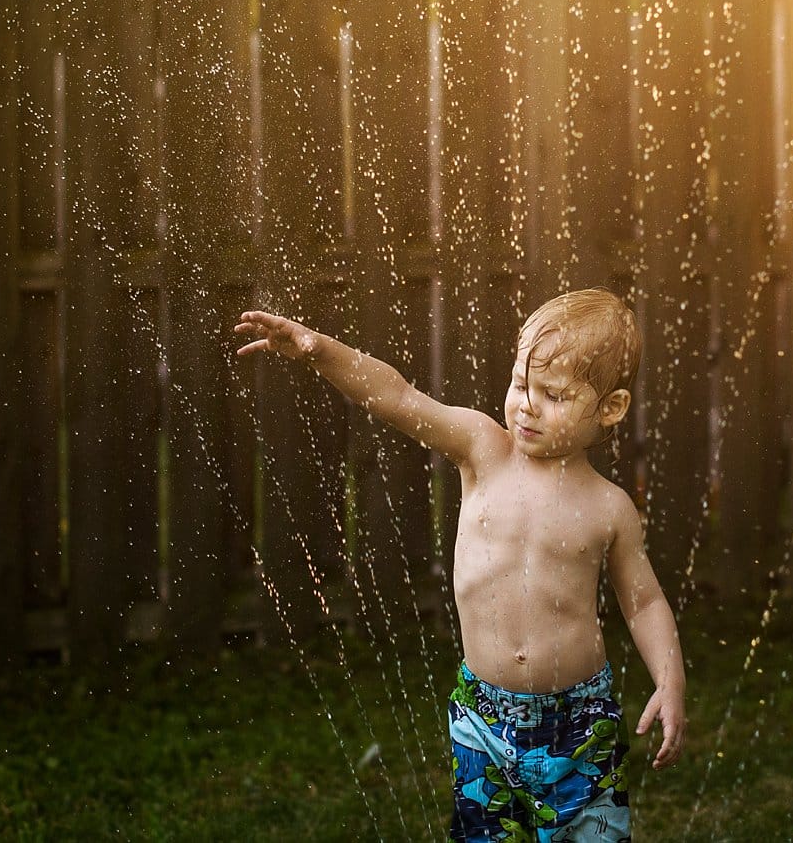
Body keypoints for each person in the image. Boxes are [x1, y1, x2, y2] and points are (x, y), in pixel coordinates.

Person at [234, 287, 687, 841]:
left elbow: (643, 602)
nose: (527, 404)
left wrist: (669, 679)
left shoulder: (608, 508)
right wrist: (318, 350)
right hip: (483, 720)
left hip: (578, 724)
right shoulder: (482, 448)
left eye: (554, 394)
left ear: (610, 409)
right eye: (521, 383)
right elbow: (396, 397)